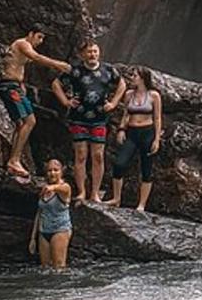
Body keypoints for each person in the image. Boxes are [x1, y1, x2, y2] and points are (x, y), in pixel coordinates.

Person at [52, 40, 125, 203]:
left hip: (100, 119)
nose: (92, 54)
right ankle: (82, 191)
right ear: (83, 54)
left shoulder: (108, 70)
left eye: (95, 51)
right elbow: (56, 84)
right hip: (78, 118)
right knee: (81, 155)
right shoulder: (75, 70)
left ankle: (95, 193)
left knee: (98, 156)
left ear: (99, 53)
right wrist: (65, 101)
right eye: (89, 52)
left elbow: (122, 85)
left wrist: (113, 103)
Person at [0, 27, 72, 181]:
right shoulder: (23, 43)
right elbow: (36, 57)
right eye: (39, 37)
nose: (40, 41)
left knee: (20, 123)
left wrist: (22, 85)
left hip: (15, 86)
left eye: (42, 38)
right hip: (10, 86)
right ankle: (14, 160)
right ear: (30, 34)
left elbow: (17, 65)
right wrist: (58, 65)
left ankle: (13, 160)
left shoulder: (21, 47)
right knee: (30, 121)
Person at [104, 67, 163, 211]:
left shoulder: (154, 95)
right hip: (132, 132)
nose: (132, 78)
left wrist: (156, 139)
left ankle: (142, 204)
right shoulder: (129, 94)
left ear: (143, 78)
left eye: (135, 76)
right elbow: (126, 114)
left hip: (147, 132)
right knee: (119, 163)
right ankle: (116, 198)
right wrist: (121, 129)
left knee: (146, 168)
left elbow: (157, 117)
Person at [28, 159, 72, 268]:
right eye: (49, 170)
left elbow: (64, 189)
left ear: (62, 172)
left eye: (56, 170)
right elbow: (39, 213)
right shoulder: (44, 189)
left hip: (60, 230)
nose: (52, 173)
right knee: (45, 267)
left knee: (59, 266)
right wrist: (33, 238)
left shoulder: (65, 187)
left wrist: (53, 187)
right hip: (44, 231)